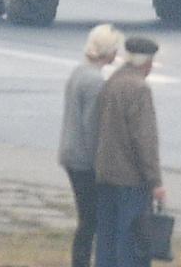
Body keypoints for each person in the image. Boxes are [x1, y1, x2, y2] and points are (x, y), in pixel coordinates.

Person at [91, 34, 163, 267]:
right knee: (131, 243)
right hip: (131, 179)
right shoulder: (139, 89)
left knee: (106, 239)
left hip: (105, 174)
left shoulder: (111, 82)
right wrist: (155, 181)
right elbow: (145, 140)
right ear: (147, 62)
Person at [58, 24, 122, 267]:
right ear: (109, 52)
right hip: (84, 160)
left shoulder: (78, 72)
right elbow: (93, 127)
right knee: (91, 219)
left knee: (87, 217)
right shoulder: (96, 82)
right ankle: (82, 262)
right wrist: (103, 164)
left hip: (69, 151)